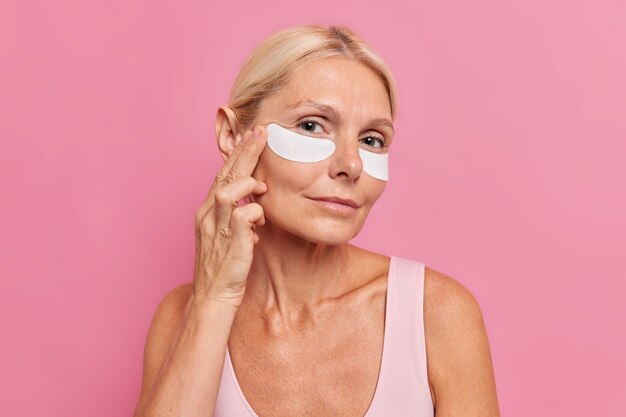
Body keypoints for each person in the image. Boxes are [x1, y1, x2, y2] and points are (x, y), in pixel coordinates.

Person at [132, 25, 500, 417]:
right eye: (311, 125)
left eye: (372, 139)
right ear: (232, 135)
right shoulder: (182, 315)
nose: (351, 164)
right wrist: (212, 303)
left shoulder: (437, 312)